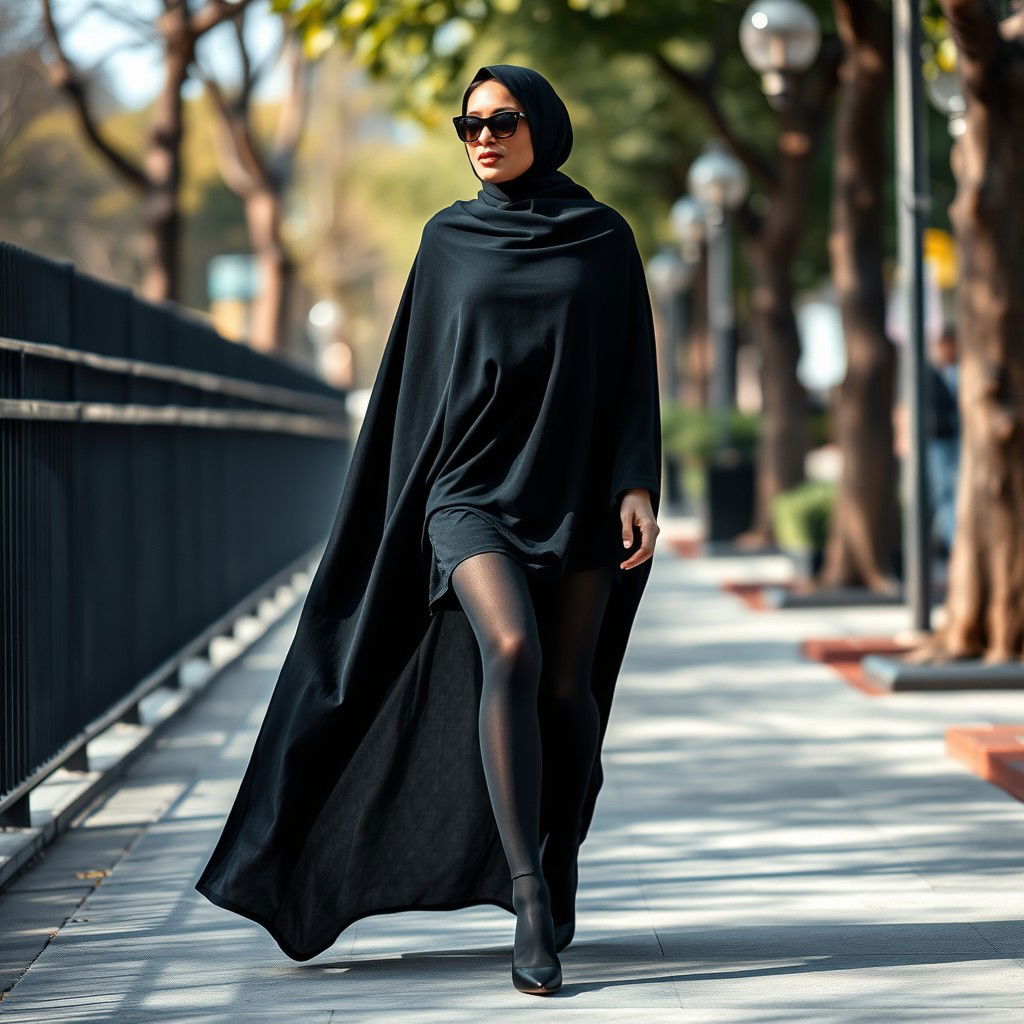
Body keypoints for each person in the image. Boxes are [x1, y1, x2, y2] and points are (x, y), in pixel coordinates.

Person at [194, 64, 662, 998]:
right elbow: (414, 384)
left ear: (547, 126)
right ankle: (529, 896)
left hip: (572, 492)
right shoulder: (449, 238)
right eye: (468, 123)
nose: (482, 136)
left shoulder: (605, 238)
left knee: (569, 697)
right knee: (514, 648)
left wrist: (634, 481)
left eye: (502, 120)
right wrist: (400, 505)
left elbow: (629, 373)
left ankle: (554, 856)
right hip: (468, 493)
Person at [924, 325, 960, 556]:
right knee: (943, 493)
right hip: (939, 440)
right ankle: (952, 542)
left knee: (948, 493)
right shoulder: (932, 373)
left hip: (956, 439)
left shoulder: (960, 371)